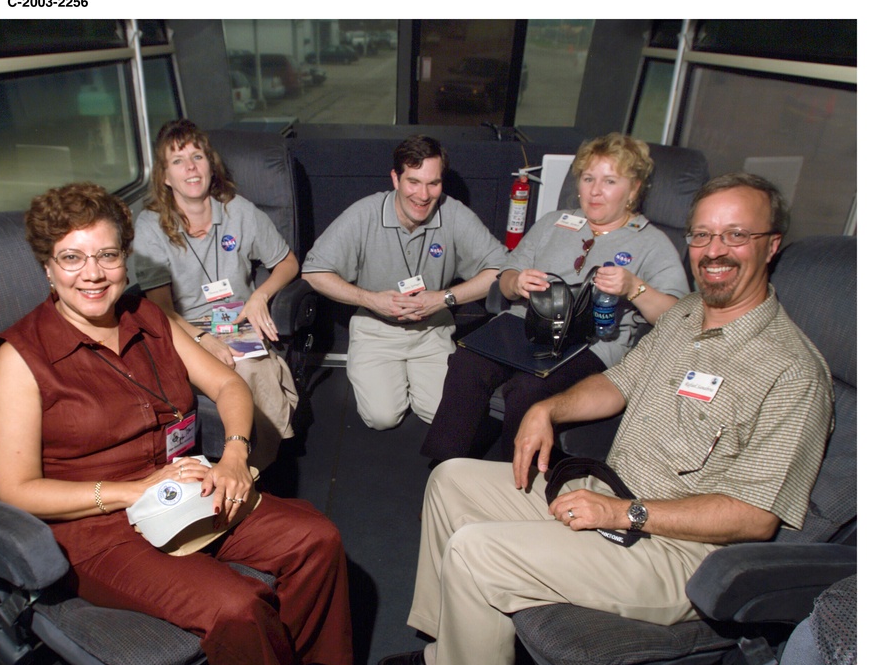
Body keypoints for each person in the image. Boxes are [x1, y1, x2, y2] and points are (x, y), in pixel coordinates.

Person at [376, 173, 835, 665]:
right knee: (451, 479)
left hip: (673, 549)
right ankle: (448, 650)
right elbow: (620, 382)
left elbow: (755, 517)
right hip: (608, 489)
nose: (714, 252)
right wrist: (548, 409)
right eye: (702, 235)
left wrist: (620, 511)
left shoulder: (792, 371)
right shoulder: (687, 316)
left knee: (478, 551)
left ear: (771, 244)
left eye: (735, 235)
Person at [0, 182, 353, 665]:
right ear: (47, 267)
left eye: (107, 255)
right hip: (98, 525)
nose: (92, 273)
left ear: (124, 259)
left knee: (318, 539)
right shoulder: (22, 359)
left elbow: (229, 386)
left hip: (182, 487)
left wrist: (232, 455)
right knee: (237, 604)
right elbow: (15, 490)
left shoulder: (147, 317)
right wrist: (135, 489)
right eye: (71, 258)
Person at [421, 133, 689, 463]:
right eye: (588, 178)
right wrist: (517, 282)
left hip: (590, 343)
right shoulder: (554, 223)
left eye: (609, 181)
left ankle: (514, 487)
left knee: (528, 391)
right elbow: (503, 280)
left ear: (633, 189)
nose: (594, 190)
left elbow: (680, 317)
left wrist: (634, 288)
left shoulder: (651, 243)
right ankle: (443, 468)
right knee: (467, 362)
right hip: (525, 324)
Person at [302, 135, 507, 430]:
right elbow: (313, 271)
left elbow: (501, 268)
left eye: (433, 183)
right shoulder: (365, 213)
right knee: (381, 417)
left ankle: (415, 382)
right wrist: (371, 299)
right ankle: (384, 377)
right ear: (395, 179)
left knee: (446, 415)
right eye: (413, 181)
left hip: (432, 329)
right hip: (376, 330)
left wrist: (443, 298)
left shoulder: (454, 212)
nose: (423, 195)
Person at [132, 119, 299, 470]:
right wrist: (202, 338)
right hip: (185, 327)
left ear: (211, 165)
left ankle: (253, 468)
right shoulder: (149, 227)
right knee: (244, 373)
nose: (191, 167)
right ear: (164, 176)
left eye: (197, 156)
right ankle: (255, 467)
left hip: (237, 318)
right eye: (178, 161)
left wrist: (260, 296)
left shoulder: (238, 211)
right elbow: (159, 307)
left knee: (253, 369)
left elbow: (287, 263)